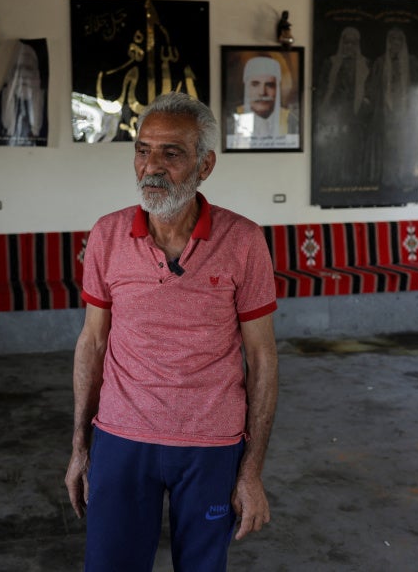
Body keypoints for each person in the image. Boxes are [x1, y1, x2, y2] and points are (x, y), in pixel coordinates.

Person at [65, 92, 279, 571]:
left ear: (206, 165)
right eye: (142, 150)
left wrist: (251, 471)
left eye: (171, 153)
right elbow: (93, 342)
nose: (152, 167)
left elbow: (262, 358)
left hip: (211, 443)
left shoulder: (243, 240)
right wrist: (80, 448)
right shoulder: (107, 235)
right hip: (121, 439)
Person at [364, 26, 418, 190]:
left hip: (405, 114)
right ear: (388, 42)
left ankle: (403, 178)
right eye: (392, 40)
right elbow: (370, 87)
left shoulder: (412, 63)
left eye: (399, 40)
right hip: (385, 113)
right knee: (386, 148)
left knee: (403, 148)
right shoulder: (380, 62)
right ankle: (387, 180)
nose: (395, 43)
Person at [315, 26, 370, 187]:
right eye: (346, 43)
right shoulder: (330, 63)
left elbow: (370, 89)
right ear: (342, 43)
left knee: (353, 150)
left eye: (353, 43)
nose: (349, 47)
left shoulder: (365, 64)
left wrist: (366, 101)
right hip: (334, 114)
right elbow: (322, 89)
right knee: (334, 150)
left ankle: (351, 180)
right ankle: (333, 180)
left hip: (356, 116)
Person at [227, 55, 299, 148]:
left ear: (278, 88)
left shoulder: (292, 121)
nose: (262, 92)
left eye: (269, 85)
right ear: (246, 87)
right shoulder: (231, 120)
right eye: (255, 84)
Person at [0, 40, 48, 146]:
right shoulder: (0, 102)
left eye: (29, 68)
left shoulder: (45, 105)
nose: (24, 75)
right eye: (18, 69)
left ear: (37, 76)